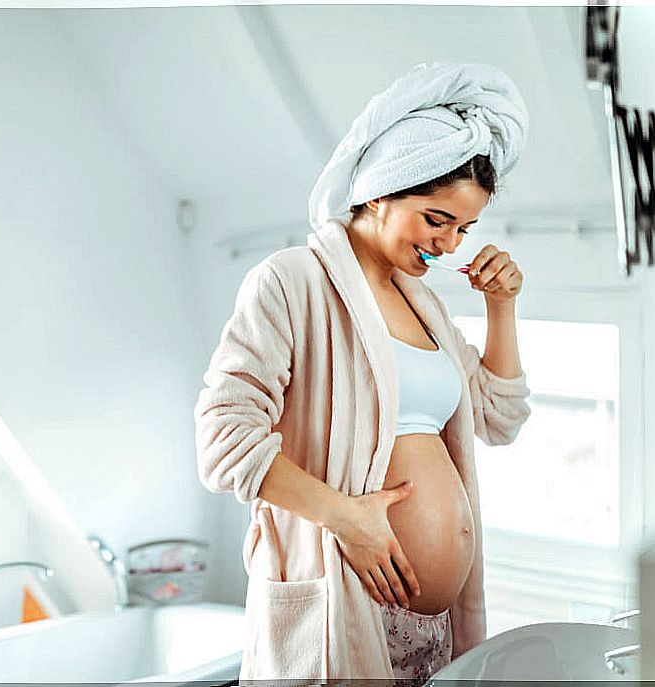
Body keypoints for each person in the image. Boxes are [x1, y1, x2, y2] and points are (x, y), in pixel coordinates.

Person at [194, 62, 533, 686]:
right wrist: (345, 518)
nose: (452, 244)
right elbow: (223, 440)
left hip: (432, 633)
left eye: (465, 227)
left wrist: (501, 307)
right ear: (381, 189)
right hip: (341, 601)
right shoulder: (292, 281)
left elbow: (499, 417)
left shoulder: (423, 303)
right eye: (437, 219)